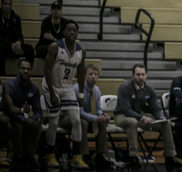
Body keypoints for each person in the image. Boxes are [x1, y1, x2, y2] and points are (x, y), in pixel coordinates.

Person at [42, 20, 88, 169]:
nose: (72, 33)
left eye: (74, 30)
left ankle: (76, 156)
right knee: (54, 122)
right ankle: (50, 154)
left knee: (76, 120)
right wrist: (52, 93)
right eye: (69, 30)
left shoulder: (81, 51)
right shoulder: (55, 46)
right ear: (64, 32)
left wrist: (81, 95)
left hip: (67, 87)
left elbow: (81, 74)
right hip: (52, 86)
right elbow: (47, 69)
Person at [114, 64, 180, 167]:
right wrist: (142, 117)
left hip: (139, 116)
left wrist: (160, 117)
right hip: (121, 116)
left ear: (146, 75)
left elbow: (155, 108)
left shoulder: (149, 89)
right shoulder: (124, 87)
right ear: (132, 76)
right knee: (132, 122)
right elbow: (126, 110)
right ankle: (134, 157)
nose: (141, 77)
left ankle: (170, 157)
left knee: (166, 123)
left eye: (143, 74)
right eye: (138, 75)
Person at [7, 59, 43, 169]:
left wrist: (37, 117)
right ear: (18, 70)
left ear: (31, 72)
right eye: (23, 68)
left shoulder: (34, 88)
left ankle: (29, 156)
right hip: (10, 118)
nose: (25, 71)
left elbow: (37, 109)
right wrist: (24, 120)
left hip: (24, 118)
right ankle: (17, 157)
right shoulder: (11, 85)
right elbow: (8, 109)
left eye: (28, 69)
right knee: (17, 126)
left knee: (37, 126)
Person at [76, 64, 112, 167]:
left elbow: (98, 109)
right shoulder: (78, 88)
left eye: (96, 74)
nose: (93, 76)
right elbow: (79, 112)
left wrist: (103, 116)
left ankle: (100, 155)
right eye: (90, 74)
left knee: (102, 123)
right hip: (73, 117)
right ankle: (85, 155)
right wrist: (97, 118)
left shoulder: (96, 90)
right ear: (84, 76)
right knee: (82, 122)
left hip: (89, 118)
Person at [0, 0, 34, 76]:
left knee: (29, 49)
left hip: (15, 48)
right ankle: (1, 74)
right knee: (0, 47)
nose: (7, 6)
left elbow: (20, 35)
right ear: (1, 5)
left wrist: (18, 43)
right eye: (5, 4)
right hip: (4, 46)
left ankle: (27, 72)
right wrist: (10, 44)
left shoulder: (16, 18)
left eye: (9, 4)